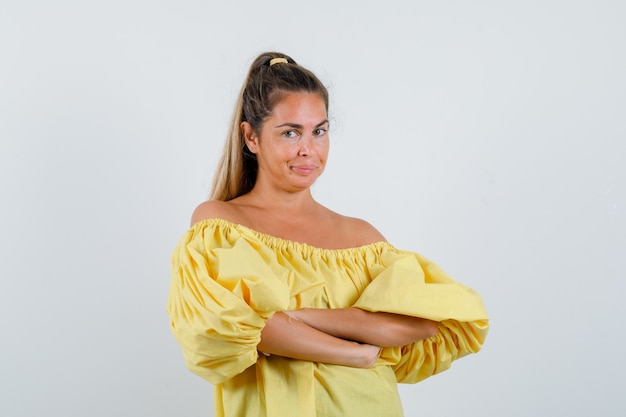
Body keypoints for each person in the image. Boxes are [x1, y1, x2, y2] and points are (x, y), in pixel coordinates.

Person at [167, 51, 489, 417]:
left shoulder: (361, 238)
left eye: (319, 130)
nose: (309, 150)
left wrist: (294, 317)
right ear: (251, 137)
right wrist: (355, 349)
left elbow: (423, 322)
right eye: (290, 132)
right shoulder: (220, 225)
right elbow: (232, 327)